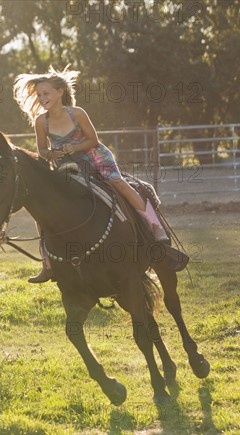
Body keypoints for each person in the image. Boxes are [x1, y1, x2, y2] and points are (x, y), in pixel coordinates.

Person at [13, 66, 188, 282]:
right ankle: (47, 261)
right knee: (47, 205)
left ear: (60, 92)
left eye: (45, 93)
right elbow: (42, 150)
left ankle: (155, 227)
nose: (41, 98)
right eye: (39, 95)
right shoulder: (42, 122)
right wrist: (52, 153)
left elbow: (93, 140)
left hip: (94, 156)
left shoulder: (77, 113)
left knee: (119, 183)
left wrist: (72, 148)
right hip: (67, 164)